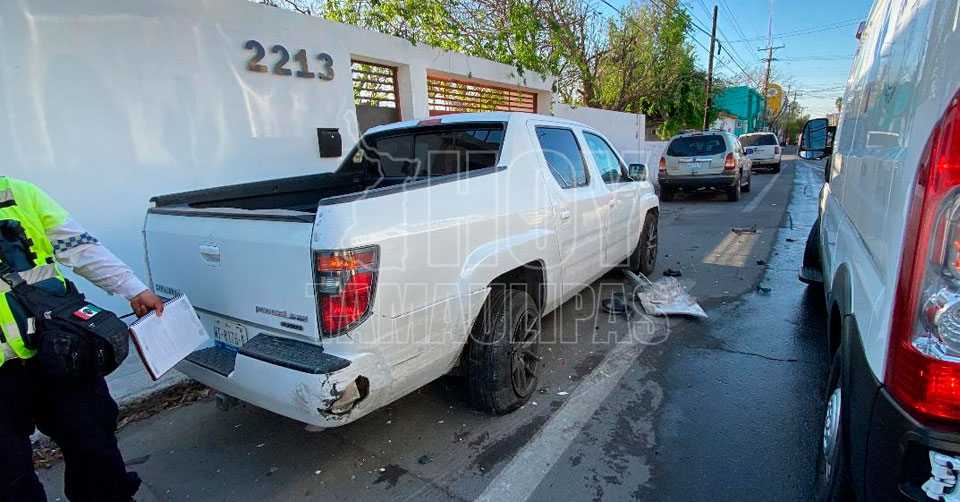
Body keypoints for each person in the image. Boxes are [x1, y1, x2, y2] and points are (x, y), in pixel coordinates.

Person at [0, 177, 165, 501]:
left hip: (57, 345)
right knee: (9, 478)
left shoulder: (17, 192)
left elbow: (79, 246)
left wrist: (133, 289)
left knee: (95, 445)